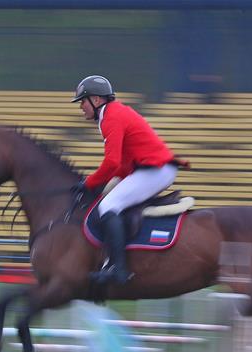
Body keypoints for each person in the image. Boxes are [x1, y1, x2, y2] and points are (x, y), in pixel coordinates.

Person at [71, 75, 182, 285]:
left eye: (82, 101)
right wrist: (99, 184)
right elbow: (122, 163)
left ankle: (118, 269)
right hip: (154, 168)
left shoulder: (110, 117)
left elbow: (112, 162)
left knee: (108, 207)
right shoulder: (113, 112)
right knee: (110, 200)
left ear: (96, 100)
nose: (81, 107)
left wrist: (89, 183)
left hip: (156, 170)